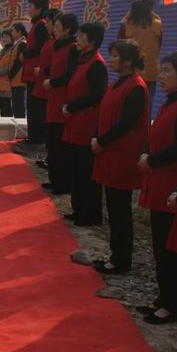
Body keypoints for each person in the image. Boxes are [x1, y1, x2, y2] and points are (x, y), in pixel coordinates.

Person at [91, 39, 148, 274]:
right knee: (114, 209)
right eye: (111, 55)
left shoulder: (136, 86)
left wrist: (102, 141)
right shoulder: (117, 84)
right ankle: (115, 255)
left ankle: (121, 260)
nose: (112, 59)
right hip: (110, 153)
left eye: (116, 56)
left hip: (122, 154)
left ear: (129, 61)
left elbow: (126, 123)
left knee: (120, 211)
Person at [137, 51, 177, 325]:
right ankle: (163, 297)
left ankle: (173, 305)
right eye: (162, 69)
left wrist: (151, 160)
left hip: (173, 186)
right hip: (160, 182)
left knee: (170, 249)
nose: (162, 75)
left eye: (167, 70)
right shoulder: (171, 101)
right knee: (159, 245)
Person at [61, 22, 107, 227]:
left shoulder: (97, 63)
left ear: (92, 41)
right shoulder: (83, 60)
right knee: (76, 170)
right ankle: (78, 209)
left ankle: (89, 214)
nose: (77, 39)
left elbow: (97, 95)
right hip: (76, 122)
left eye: (81, 36)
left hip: (86, 124)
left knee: (86, 171)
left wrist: (73, 106)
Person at [42, 12, 79, 195]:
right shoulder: (58, 45)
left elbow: (71, 73)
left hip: (63, 100)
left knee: (60, 145)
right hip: (53, 99)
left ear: (68, 29)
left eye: (57, 26)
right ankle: (55, 179)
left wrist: (53, 82)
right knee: (52, 143)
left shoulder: (73, 48)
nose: (54, 29)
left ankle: (63, 183)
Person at [118, 0, 163, 106]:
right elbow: (159, 45)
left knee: (127, 107)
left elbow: (119, 46)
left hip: (130, 73)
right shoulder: (157, 24)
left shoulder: (127, 24)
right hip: (150, 74)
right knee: (146, 108)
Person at [30, 8, 61, 164]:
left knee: (50, 123)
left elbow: (58, 65)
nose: (47, 24)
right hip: (43, 82)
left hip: (51, 84)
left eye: (49, 21)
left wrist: (42, 71)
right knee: (45, 120)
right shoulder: (50, 39)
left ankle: (52, 157)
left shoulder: (59, 43)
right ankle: (49, 156)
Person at [22, 0, 50, 143]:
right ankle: (32, 136)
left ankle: (36, 138)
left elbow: (39, 47)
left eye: (31, 7)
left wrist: (24, 53)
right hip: (31, 73)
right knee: (32, 106)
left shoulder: (41, 25)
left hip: (36, 74)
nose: (29, 10)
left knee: (35, 107)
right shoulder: (37, 24)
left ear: (39, 8)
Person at [0, 29, 17, 116]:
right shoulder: (2, 50)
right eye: (3, 37)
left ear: (12, 38)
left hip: (7, 82)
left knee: (6, 106)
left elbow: (10, 66)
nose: (4, 39)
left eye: (7, 37)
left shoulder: (13, 50)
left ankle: (8, 126)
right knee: (1, 106)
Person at [9, 23, 28, 118]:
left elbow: (19, 62)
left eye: (13, 30)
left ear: (19, 32)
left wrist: (10, 74)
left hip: (19, 78)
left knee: (18, 105)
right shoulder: (17, 43)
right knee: (16, 105)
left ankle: (21, 128)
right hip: (15, 79)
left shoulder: (23, 43)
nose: (11, 32)